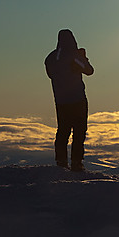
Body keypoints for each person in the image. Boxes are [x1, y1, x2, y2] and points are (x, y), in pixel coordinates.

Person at [45, 29, 94, 171]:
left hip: (60, 100)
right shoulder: (74, 56)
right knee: (79, 131)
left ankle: (61, 161)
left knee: (63, 130)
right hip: (77, 99)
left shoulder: (51, 58)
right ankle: (76, 162)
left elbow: (52, 75)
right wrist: (83, 57)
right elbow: (89, 70)